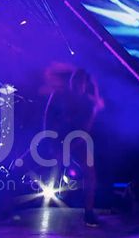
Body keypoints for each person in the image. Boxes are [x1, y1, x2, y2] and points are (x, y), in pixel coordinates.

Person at [44, 68, 105, 227]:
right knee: (25, 165)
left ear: (85, 84)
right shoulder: (59, 95)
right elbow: (47, 118)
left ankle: (88, 213)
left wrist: (69, 148)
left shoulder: (89, 101)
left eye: (81, 82)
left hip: (78, 140)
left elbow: (85, 129)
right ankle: (5, 209)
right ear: (71, 81)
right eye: (75, 80)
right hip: (57, 138)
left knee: (90, 174)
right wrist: (50, 143)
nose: (77, 84)